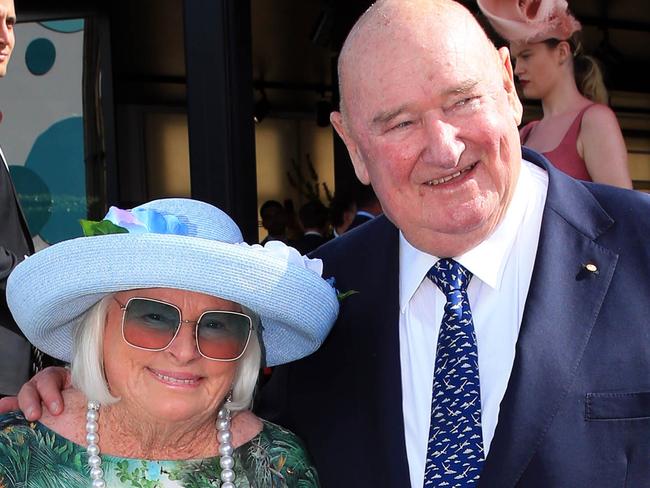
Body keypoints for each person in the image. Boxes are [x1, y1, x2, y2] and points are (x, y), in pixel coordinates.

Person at [6, 1, 650, 486]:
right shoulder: (317, 302)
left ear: (510, 88)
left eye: (462, 100)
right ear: (353, 148)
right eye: (398, 122)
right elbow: (187, 395)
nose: (444, 147)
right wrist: (92, 385)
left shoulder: (642, 251)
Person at [0, 198, 338, 486]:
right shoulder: (14, 451)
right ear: (99, 328)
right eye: (154, 317)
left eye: (217, 325)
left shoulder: (281, 466)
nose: (185, 351)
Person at [478, 0, 633, 188]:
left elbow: (620, 210)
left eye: (526, 55)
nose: (517, 70)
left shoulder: (595, 120)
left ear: (561, 52)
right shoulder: (526, 133)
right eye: (515, 59)